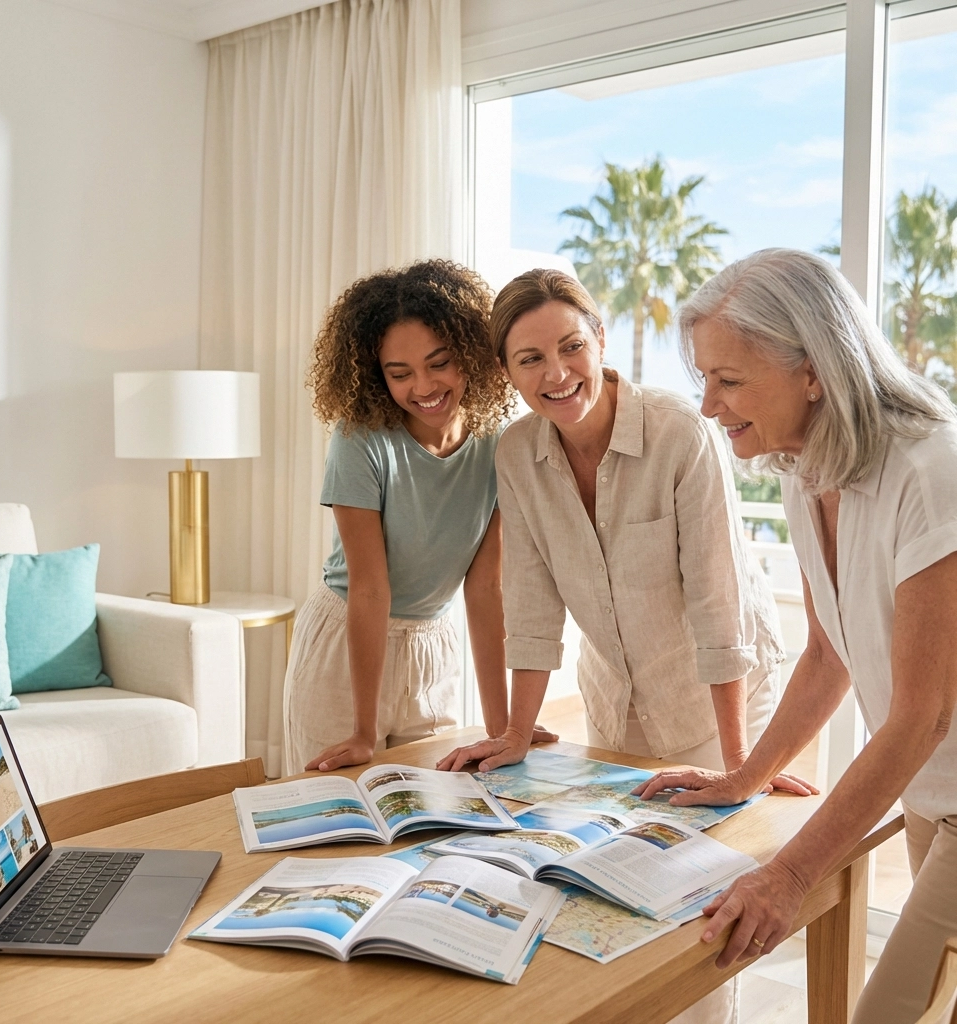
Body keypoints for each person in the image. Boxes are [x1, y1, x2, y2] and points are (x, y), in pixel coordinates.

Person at [438, 268, 806, 1024]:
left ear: (601, 341)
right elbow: (533, 603)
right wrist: (513, 731)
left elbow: (718, 608)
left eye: (571, 346)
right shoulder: (516, 454)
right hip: (615, 700)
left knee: (705, 913)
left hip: (719, 692)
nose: (556, 372)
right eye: (529, 359)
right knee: (620, 895)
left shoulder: (679, 432)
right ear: (507, 374)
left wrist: (741, 769)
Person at [633, 247, 957, 1024]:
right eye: (705, 378)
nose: (709, 406)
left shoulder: (932, 469)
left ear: (813, 371)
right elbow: (825, 653)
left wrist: (788, 876)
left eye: (730, 379)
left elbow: (924, 712)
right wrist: (744, 776)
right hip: (932, 792)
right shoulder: (801, 468)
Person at [283, 259, 556, 777]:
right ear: (374, 374)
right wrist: (363, 731)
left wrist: (505, 730)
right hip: (347, 639)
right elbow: (369, 588)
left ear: (471, 356)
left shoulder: (499, 446)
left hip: (433, 643)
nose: (424, 386)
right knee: (336, 819)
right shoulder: (359, 438)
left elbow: (485, 588)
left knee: (436, 814)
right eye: (399, 373)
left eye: (439, 363)